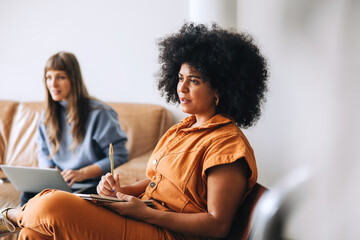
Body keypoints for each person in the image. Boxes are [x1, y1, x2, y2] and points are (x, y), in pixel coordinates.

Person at [0, 23, 268, 239]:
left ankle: (8, 216)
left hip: (168, 232)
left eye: (194, 81)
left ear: (221, 90)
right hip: (145, 216)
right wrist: (120, 192)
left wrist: (144, 214)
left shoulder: (227, 145)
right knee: (34, 233)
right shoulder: (181, 130)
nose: (182, 88)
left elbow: (217, 226)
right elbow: (156, 182)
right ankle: (20, 219)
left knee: (52, 205)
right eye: (180, 78)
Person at [20, 51, 129, 206]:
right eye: (49, 77)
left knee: (61, 204)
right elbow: (43, 150)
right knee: (27, 197)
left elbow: (118, 155)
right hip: (61, 185)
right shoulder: (47, 114)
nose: (53, 84)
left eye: (60, 77)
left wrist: (82, 173)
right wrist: (48, 173)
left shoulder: (99, 114)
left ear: (73, 79)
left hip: (90, 185)